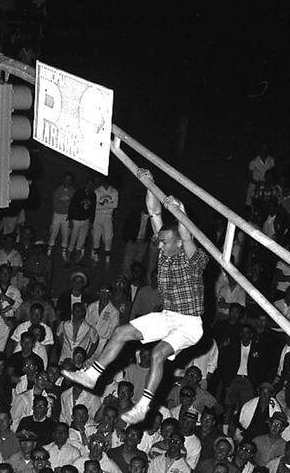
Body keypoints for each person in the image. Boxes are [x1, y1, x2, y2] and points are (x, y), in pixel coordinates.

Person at [63, 179, 206, 425]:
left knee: (158, 353)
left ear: (179, 242)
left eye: (164, 242)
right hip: (168, 315)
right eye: (159, 241)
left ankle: (143, 406)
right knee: (121, 332)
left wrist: (179, 207)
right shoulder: (165, 253)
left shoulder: (193, 258)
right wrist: (149, 183)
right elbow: (153, 212)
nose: (159, 245)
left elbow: (186, 231)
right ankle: (92, 375)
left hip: (189, 324)